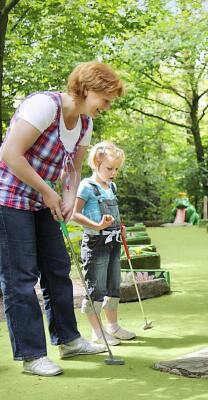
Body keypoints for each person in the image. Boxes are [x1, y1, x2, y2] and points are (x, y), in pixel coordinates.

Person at [0, 61, 124, 376]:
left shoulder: (85, 123)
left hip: (41, 198)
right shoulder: (44, 106)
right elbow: (11, 153)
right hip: (5, 196)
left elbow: (73, 168)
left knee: (57, 268)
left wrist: (69, 198)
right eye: (106, 99)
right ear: (87, 89)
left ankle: (69, 340)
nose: (107, 107)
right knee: (21, 278)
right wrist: (48, 191)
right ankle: (32, 356)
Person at [71, 141, 135, 346]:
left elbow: (113, 213)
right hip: (95, 244)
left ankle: (112, 326)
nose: (113, 173)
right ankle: (97, 332)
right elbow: (75, 214)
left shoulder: (112, 186)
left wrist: (119, 226)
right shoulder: (87, 187)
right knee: (96, 288)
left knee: (113, 286)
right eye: (109, 168)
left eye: (116, 169)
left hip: (114, 242)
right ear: (95, 164)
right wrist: (97, 225)